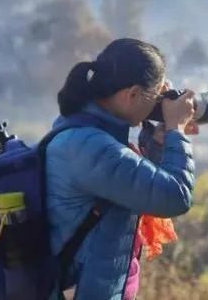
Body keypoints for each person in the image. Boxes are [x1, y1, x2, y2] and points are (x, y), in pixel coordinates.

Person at [46, 38, 198, 300]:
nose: (156, 106)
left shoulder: (86, 133)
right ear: (133, 95)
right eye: (155, 97)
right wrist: (176, 131)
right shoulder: (93, 147)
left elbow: (136, 184)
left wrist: (160, 143)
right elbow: (175, 196)